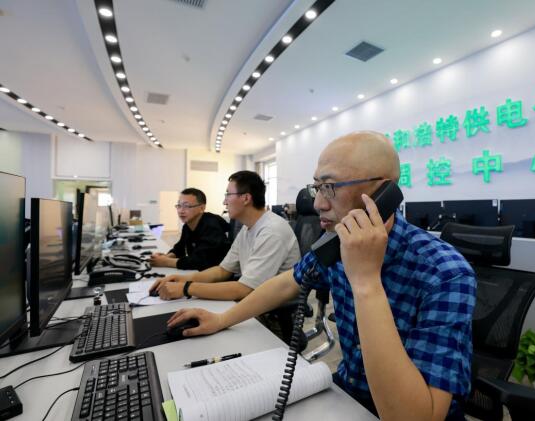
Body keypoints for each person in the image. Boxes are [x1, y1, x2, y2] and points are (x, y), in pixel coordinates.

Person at [166, 132, 476, 420]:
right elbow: (287, 283)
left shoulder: (445, 272)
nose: (317, 204)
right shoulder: (338, 244)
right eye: (317, 187)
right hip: (347, 394)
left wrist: (366, 281)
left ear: (383, 192)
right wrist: (222, 320)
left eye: (330, 187)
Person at [150, 171, 301, 302]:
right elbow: (222, 271)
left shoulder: (272, 231)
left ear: (246, 198)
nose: (224, 202)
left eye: (228, 194)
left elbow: (244, 289)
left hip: (271, 308)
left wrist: (186, 288)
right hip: (253, 298)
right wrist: (181, 279)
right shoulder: (247, 228)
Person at [149, 188, 230, 271]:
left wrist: (165, 262)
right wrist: (166, 257)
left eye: (187, 206)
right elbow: (179, 248)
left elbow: (200, 261)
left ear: (202, 208)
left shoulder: (212, 226)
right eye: (179, 206)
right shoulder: (187, 226)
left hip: (218, 274)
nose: (181, 211)